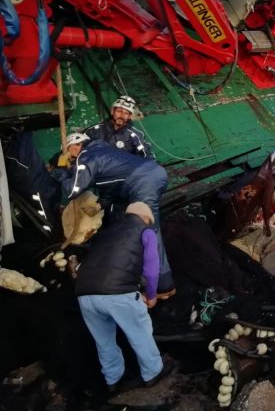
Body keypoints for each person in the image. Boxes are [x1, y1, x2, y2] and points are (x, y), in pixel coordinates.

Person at [57, 133, 175, 297]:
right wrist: (100, 204)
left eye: (69, 153)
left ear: (76, 146)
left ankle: (163, 285)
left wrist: (62, 169)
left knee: (145, 232)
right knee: (124, 223)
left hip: (142, 182)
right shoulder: (103, 151)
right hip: (146, 177)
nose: (70, 158)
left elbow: (71, 191)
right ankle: (135, 273)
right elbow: (115, 183)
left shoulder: (87, 155)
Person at [75, 201, 173, 392]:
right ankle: (153, 372)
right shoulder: (145, 231)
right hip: (118, 292)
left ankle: (112, 379)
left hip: (84, 293)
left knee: (103, 340)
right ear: (145, 218)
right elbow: (152, 269)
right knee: (140, 333)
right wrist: (151, 295)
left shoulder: (106, 233)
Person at [85, 95, 154, 159]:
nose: (122, 115)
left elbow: (147, 157)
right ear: (112, 111)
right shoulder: (95, 130)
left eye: (126, 113)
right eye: (119, 111)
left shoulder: (135, 135)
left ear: (129, 116)